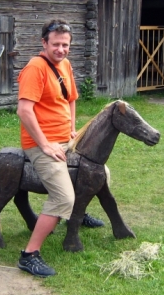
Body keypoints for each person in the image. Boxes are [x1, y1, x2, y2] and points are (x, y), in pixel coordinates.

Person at [16, 19, 103, 277]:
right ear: (44, 43)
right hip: (41, 144)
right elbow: (24, 110)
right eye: (56, 44)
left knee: (98, 172)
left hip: (66, 138)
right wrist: (44, 144)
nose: (61, 49)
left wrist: (72, 129)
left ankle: (78, 213)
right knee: (63, 196)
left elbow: (71, 99)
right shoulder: (35, 68)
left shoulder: (65, 64)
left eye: (65, 45)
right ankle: (29, 254)